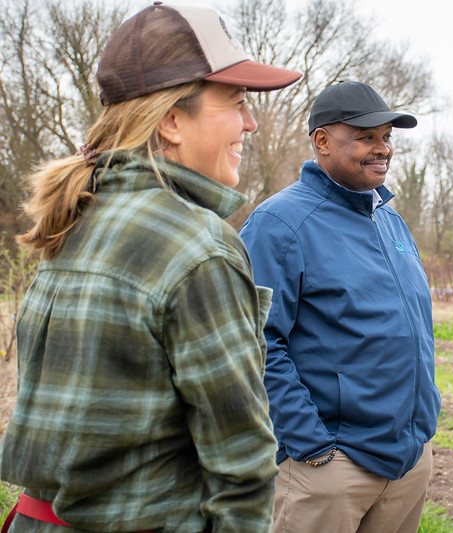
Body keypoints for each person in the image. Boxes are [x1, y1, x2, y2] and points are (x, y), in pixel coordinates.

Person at [0, 3, 301, 532]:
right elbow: (244, 468)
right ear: (171, 121)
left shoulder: (76, 219)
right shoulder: (198, 247)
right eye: (235, 103)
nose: (250, 123)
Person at [239, 81, 441, 533]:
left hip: (407, 461)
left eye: (387, 137)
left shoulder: (389, 219)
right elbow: (254, 342)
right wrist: (310, 444)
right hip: (330, 469)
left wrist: (423, 426)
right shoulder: (279, 225)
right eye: (366, 137)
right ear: (323, 141)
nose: (382, 148)